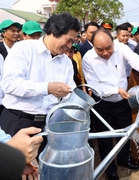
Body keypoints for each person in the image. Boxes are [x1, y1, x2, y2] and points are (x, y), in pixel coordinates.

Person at [0, 12, 80, 157]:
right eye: (68, 40)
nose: (69, 46)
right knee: (12, 168)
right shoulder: (24, 49)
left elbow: (70, 92)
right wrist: (47, 88)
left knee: (40, 169)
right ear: (54, 32)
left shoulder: (66, 62)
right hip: (17, 121)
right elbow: (10, 84)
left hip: (47, 125)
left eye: (73, 42)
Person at [82, 29, 139, 180]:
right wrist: (115, 90)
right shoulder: (88, 58)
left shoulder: (121, 48)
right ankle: (110, 169)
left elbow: (136, 60)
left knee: (125, 133)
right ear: (93, 46)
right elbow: (94, 85)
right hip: (102, 103)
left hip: (123, 101)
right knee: (105, 138)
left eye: (108, 48)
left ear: (113, 41)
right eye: (100, 50)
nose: (105, 53)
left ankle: (124, 159)